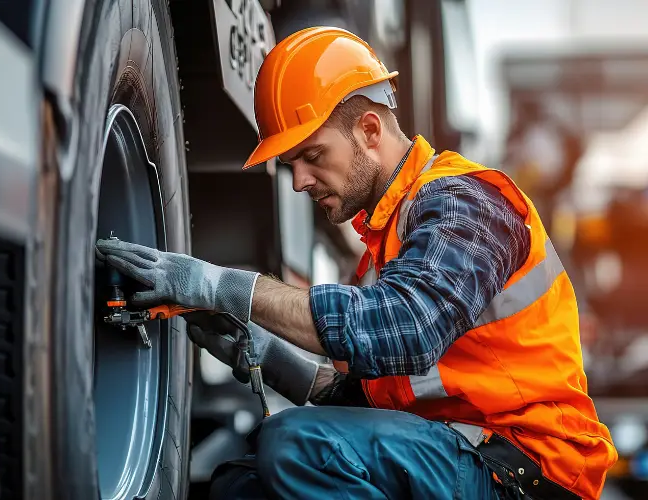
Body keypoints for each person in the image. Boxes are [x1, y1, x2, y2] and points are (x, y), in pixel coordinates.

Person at [96, 27, 616, 499]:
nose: (299, 182)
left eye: (313, 156)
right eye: (290, 165)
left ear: (370, 129)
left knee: (296, 446)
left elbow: (403, 330)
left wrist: (218, 285)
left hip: (527, 474)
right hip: (463, 457)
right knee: (240, 487)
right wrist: (263, 352)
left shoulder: (465, 203)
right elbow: (375, 401)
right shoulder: (384, 246)